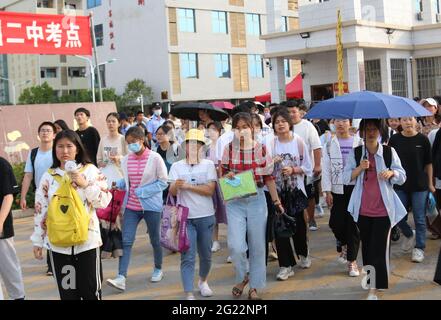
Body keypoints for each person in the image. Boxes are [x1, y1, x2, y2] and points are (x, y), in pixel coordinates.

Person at [31, 130, 112, 300]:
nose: (65, 151)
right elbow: (41, 210)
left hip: (87, 243)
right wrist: (38, 240)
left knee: (91, 292)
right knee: (68, 295)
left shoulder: (90, 171)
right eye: (60, 146)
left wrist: (84, 184)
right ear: (55, 150)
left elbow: (103, 201)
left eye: (69, 146)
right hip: (58, 245)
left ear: (77, 149)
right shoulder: (49, 176)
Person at [221, 112, 284, 300]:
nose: (241, 131)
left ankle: (254, 287)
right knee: (236, 246)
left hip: (257, 199)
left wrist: (276, 201)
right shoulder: (228, 149)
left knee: (257, 246)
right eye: (237, 127)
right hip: (235, 201)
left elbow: (269, 177)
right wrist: (227, 176)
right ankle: (244, 276)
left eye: (245, 127)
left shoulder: (261, 149)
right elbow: (222, 173)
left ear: (252, 129)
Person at [343, 119, 406, 300]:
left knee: (379, 249)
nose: (371, 133)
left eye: (374, 129)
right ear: (362, 132)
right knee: (368, 249)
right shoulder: (356, 153)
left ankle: (373, 288)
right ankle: (376, 281)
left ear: (380, 131)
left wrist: (391, 173)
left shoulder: (388, 152)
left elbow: (402, 176)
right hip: (362, 210)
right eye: (367, 129)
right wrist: (359, 168)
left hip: (383, 211)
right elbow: (346, 177)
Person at [106, 126, 168, 292]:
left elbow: (163, 182)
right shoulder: (126, 159)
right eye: (128, 143)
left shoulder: (155, 158)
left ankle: (158, 268)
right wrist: (117, 184)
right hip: (132, 206)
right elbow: (127, 181)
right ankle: (121, 277)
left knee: (155, 240)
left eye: (133, 142)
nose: (131, 145)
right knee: (126, 241)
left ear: (142, 140)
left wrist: (144, 191)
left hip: (151, 206)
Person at [169, 129, 217, 300]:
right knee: (187, 256)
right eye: (190, 144)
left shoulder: (209, 165)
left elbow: (210, 190)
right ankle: (188, 291)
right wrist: (176, 185)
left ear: (202, 147)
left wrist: (188, 186)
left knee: (206, 254)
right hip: (185, 219)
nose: (193, 147)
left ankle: (203, 281)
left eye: (197, 144)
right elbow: (172, 192)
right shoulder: (176, 166)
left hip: (206, 216)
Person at [271, 110, 313, 280]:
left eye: (283, 121)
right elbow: (265, 168)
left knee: (298, 228)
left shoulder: (299, 142)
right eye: (277, 122)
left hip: (296, 192)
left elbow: (308, 167)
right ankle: (285, 265)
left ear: (289, 123)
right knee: (280, 228)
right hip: (277, 192)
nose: (280, 124)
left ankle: (303, 253)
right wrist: (272, 163)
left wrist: (294, 170)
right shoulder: (271, 144)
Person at [389, 117, 434, 263]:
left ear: (415, 122)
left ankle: (419, 248)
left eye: (411, 119)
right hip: (399, 184)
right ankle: (409, 234)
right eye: (404, 119)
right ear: (400, 122)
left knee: (419, 218)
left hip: (420, 185)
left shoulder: (423, 140)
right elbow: (389, 161)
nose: (408, 122)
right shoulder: (394, 140)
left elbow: (428, 164)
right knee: (397, 215)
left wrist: (430, 183)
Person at [322, 119, 362, 277]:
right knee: (335, 223)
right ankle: (343, 244)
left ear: (349, 122)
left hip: (355, 188)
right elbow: (325, 168)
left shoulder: (359, 142)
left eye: (344, 120)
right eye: (337, 120)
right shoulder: (329, 144)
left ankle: (352, 261)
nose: (341, 124)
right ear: (333, 123)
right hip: (337, 189)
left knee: (353, 226)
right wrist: (327, 190)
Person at [21, 121, 56, 276]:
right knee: (42, 226)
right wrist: (22, 197)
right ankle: (47, 257)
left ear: (54, 134)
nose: (45, 133)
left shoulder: (58, 151)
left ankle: (52, 263)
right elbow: (28, 175)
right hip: (40, 197)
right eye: (42, 130)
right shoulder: (33, 153)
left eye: (48, 130)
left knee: (55, 226)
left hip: (57, 195)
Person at [286, 102, 322, 232]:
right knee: (294, 194)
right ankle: (297, 219)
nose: (291, 115)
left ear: (299, 112)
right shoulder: (285, 126)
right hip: (290, 170)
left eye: (293, 112)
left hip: (307, 168)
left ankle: (311, 218)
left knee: (310, 195)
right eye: (288, 112)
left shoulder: (307, 126)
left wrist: (317, 165)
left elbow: (316, 146)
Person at [0, 156, 25, 300]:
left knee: (9, 268)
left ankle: (18, 297)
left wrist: (0, 222)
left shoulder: (2, 164)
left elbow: (8, 196)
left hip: (2, 230)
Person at [205, 122, 227, 253]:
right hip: (211, 180)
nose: (211, 132)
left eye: (214, 129)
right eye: (209, 129)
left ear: (219, 131)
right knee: (213, 210)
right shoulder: (206, 147)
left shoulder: (224, 146)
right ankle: (215, 240)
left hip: (223, 180)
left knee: (227, 210)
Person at [96, 113, 128, 188]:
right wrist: (102, 163)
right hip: (105, 174)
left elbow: (128, 157)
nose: (111, 123)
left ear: (119, 123)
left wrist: (119, 158)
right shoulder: (103, 140)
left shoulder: (123, 139)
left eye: (113, 121)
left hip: (120, 174)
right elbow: (99, 159)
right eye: (108, 121)